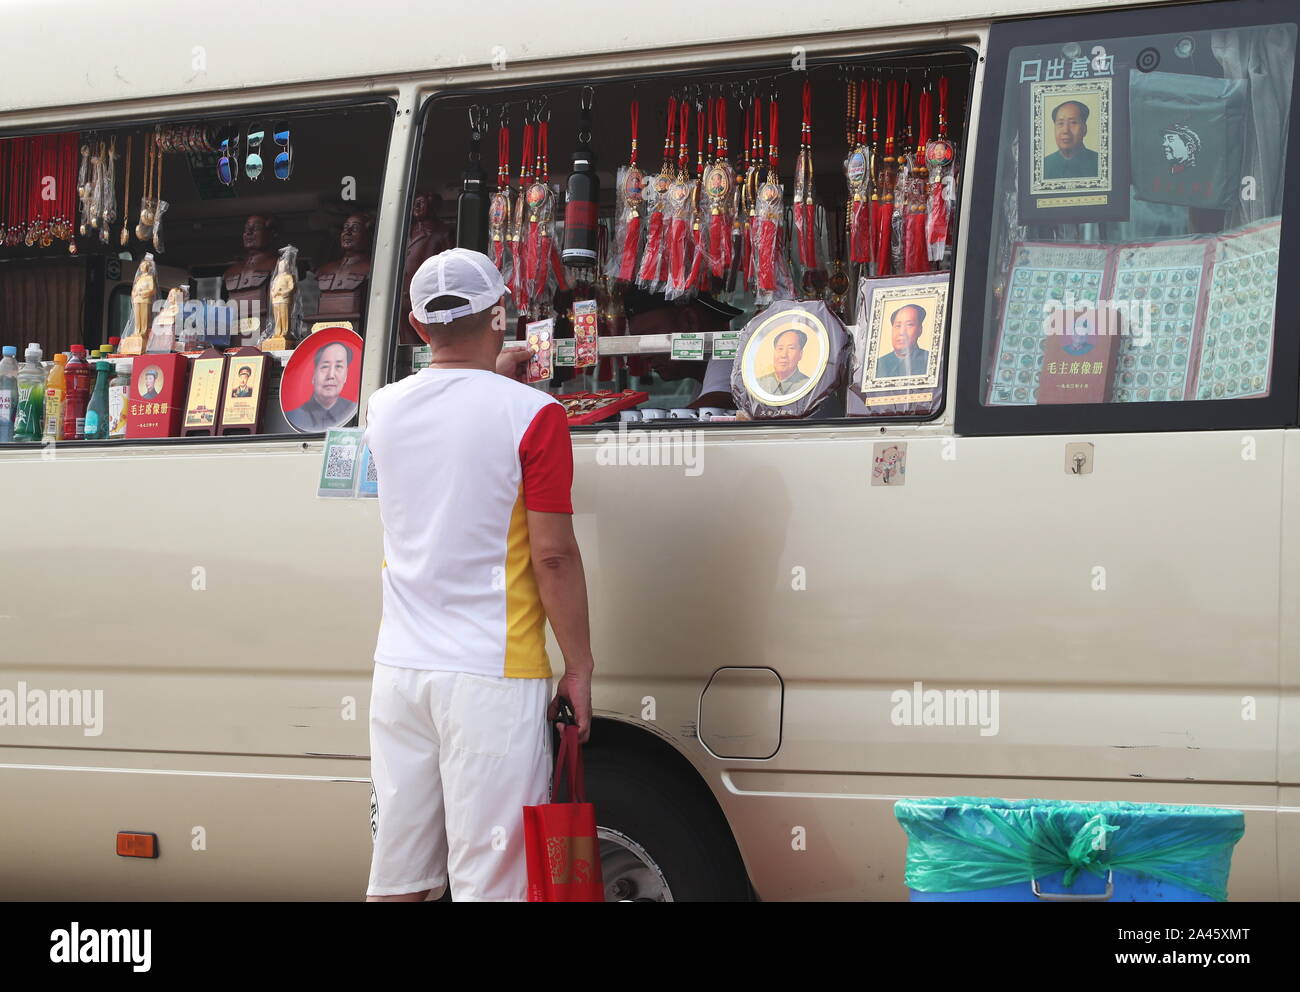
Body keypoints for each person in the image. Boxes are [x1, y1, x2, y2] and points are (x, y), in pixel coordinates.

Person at [361, 247, 594, 902]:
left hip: (400, 674)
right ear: (502, 315)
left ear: (414, 326)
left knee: (399, 877)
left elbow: (450, 425)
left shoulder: (382, 408)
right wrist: (579, 666)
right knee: (491, 883)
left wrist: (491, 374)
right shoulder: (535, 418)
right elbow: (553, 556)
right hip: (493, 676)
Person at [285, 341, 357, 431]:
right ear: (314, 374)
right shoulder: (295, 417)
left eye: (338, 366)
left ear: (346, 375)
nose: (331, 375)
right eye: (325, 367)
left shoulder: (355, 410)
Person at [1043, 100, 1099, 180]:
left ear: (1084, 129)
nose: (1065, 130)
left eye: (1073, 123)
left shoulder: (1101, 163)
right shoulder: (1043, 165)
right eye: (1060, 123)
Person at [875, 304, 931, 378]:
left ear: (920, 330)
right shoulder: (878, 364)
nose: (902, 332)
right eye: (898, 326)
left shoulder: (930, 361)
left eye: (909, 325)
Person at [756, 328, 811, 396]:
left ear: (800, 354)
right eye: (780, 348)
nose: (783, 355)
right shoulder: (758, 384)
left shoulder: (808, 385)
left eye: (791, 348)